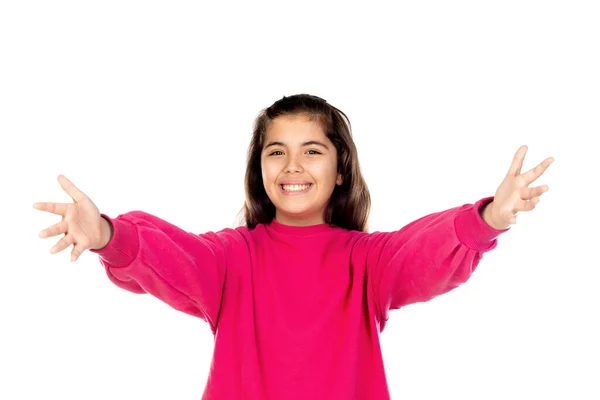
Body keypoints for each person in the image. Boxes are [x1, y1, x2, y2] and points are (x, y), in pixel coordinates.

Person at [33, 94, 554, 399]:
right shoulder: (232, 257)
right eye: (276, 151)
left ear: (340, 167)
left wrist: (488, 218)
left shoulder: (366, 262)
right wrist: (107, 234)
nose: (292, 166)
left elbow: (422, 253)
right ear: (259, 169)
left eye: (312, 151)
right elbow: (171, 257)